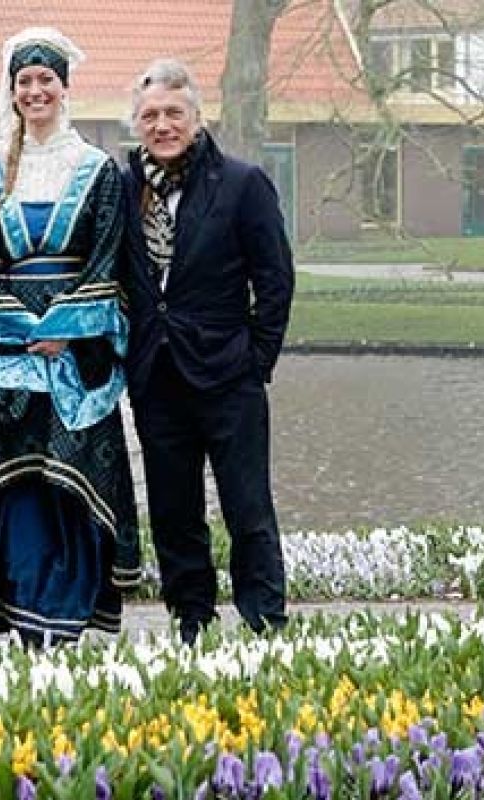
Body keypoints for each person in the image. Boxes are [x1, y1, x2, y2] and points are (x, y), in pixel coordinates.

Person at [0, 28, 140, 648]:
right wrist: (20, 327)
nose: (36, 90)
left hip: (73, 358)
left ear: (64, 88)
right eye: (25, 81)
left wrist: (64, 332)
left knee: (60, 480)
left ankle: (59, 614)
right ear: (12, 91)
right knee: (0, 482)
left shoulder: (97, 170)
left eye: (46, 79)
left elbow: (107, 262)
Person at [120, 59, 294, 644]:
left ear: (196, 117)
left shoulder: (241, 184)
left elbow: (275, 278)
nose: (162, 125)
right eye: (150, 116)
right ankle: (190, 619)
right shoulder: (123, 189)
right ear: (136, 124)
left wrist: (257, 359)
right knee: (173, 508)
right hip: (155, 375)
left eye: (173, 113)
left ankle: (264, 618)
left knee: (247, 504)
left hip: (228, 374)